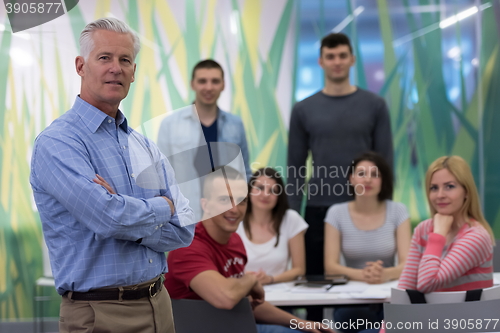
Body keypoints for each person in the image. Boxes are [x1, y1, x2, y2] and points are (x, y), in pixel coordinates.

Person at [30, 18, 195, 333]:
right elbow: (109, 218)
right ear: (81, 66)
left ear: (134, 71)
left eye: (125, 60)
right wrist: (164, 206)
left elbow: (184, 230)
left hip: (159, 303)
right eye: (104, 57)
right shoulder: (58, 143)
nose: (115, 68)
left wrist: (123, 209)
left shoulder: (143, 144)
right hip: (99, 313)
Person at [288, 32, 393, 320]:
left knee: (369, 285)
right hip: (318, 212)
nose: (337, 62)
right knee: (315, 290)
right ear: (321, 62)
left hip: (365, 211)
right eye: (330, 57)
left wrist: (385, 211)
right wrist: (290, 218)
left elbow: (386, 164)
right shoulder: (303, 110)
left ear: (352, 60)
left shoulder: (375, 105)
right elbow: (295, 168)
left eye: (342, 56)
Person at [164, 167, 334, 333]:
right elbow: (226, 297)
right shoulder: (188, 245)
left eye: (241, 201)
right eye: (224, 200)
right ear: (205, 205)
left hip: (233, 323)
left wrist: (302, 323)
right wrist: (251, 280)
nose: (234, 209)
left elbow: (246, 303)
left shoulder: (235, 240)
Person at [323, 152, 411, 333]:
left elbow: (408, 264)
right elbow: (331, 267)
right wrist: (365, 275)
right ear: (351, 178)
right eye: (361, 174)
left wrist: (385, 274)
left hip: (388, 296)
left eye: (375, 174)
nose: (368, 180)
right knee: (351, 317)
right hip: (351, 300)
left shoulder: (398, 211)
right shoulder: (336, 213)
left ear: (383, 180)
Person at [157, 59, 252, 221]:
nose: (209, 87)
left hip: (226, 215)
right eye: (202, 81)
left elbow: (245, 173)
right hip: (186, 215)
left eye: (215, 81)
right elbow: (161, 174)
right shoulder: (170, 124)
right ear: (192, 84)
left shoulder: (236, 125)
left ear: (223, 85)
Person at [398, 155, 494, 292]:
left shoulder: (476, 236)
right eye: (434, 188)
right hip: (429, 313)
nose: (440, 195)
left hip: (466, 313)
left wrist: (438, 235)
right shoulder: (423, 230)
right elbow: (406, 288)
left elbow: (427, 283)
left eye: (449, 186)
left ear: (466, 192)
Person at [237, 167, 308, 284]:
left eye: (273, 191)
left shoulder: (291, 219)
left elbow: (299, 270)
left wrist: (270, 279)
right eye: (260, 188)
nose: (265, 194)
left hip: (282, 294)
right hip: (242, 292)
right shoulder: (235, 219)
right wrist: (242, 277)